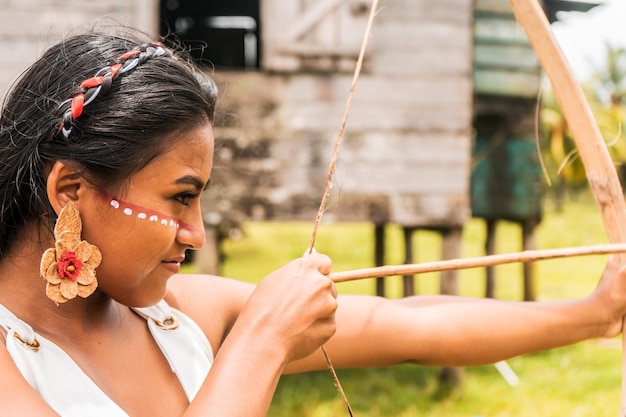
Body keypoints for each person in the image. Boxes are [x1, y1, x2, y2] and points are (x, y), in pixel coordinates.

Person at [0, 24, 625, 417]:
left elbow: (407, 325)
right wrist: (261, 340)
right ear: (72, 189)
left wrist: (596, 313)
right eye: (180, 198)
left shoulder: (179, 314)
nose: (195, 233)